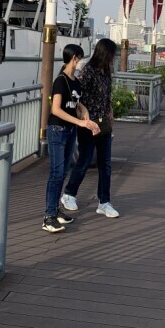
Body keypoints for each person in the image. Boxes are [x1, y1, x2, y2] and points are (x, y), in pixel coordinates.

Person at [42, 44, 100, 233]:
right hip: (57, 129)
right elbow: (56, 109)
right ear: (74, 58)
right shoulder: (60, 81)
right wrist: (79, 122)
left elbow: (76, 103)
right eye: (80, 58)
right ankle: (49, 216)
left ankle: (55, 210)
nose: (81, 62)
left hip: (69, 130)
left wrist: (84, 111)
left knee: (64, 171)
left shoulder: (75, 81)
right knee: (56, 173)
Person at [61, 38, 120, 218]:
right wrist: (82, 113)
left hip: (103, 123)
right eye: (112, 54)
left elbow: (107, 96)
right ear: (105, 53)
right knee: (85, 160)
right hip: (88, 123)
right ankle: (69, 194)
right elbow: (77, 95)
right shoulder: (88, 71)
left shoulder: (106, 72)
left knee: (105, 163)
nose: (114, 58)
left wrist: (110, 113)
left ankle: (104, 201)